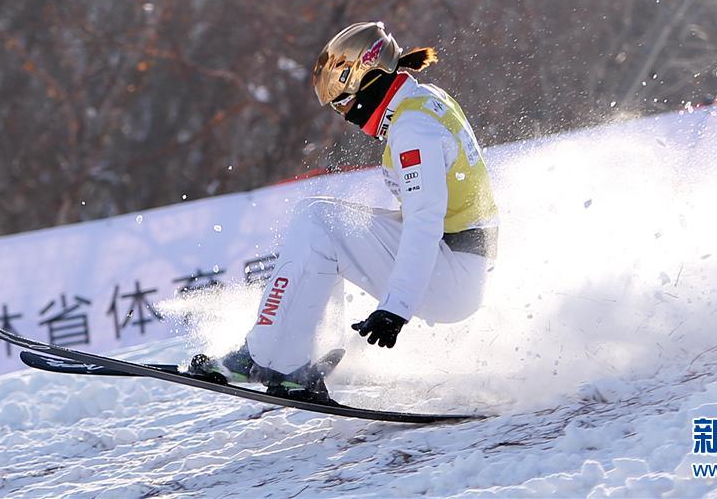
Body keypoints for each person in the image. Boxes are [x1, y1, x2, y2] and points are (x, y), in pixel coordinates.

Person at [191, 22, 499, 404]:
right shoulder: (422, 102)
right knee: (325, 228)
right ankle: (307, 357)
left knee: (316, 222)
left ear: (368, 82)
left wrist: (395, 308)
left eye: (343, 101)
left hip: (453, 271)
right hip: (461, 261)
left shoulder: (413, 130)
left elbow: (424, 222)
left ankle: (266, 358)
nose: (345, 115)